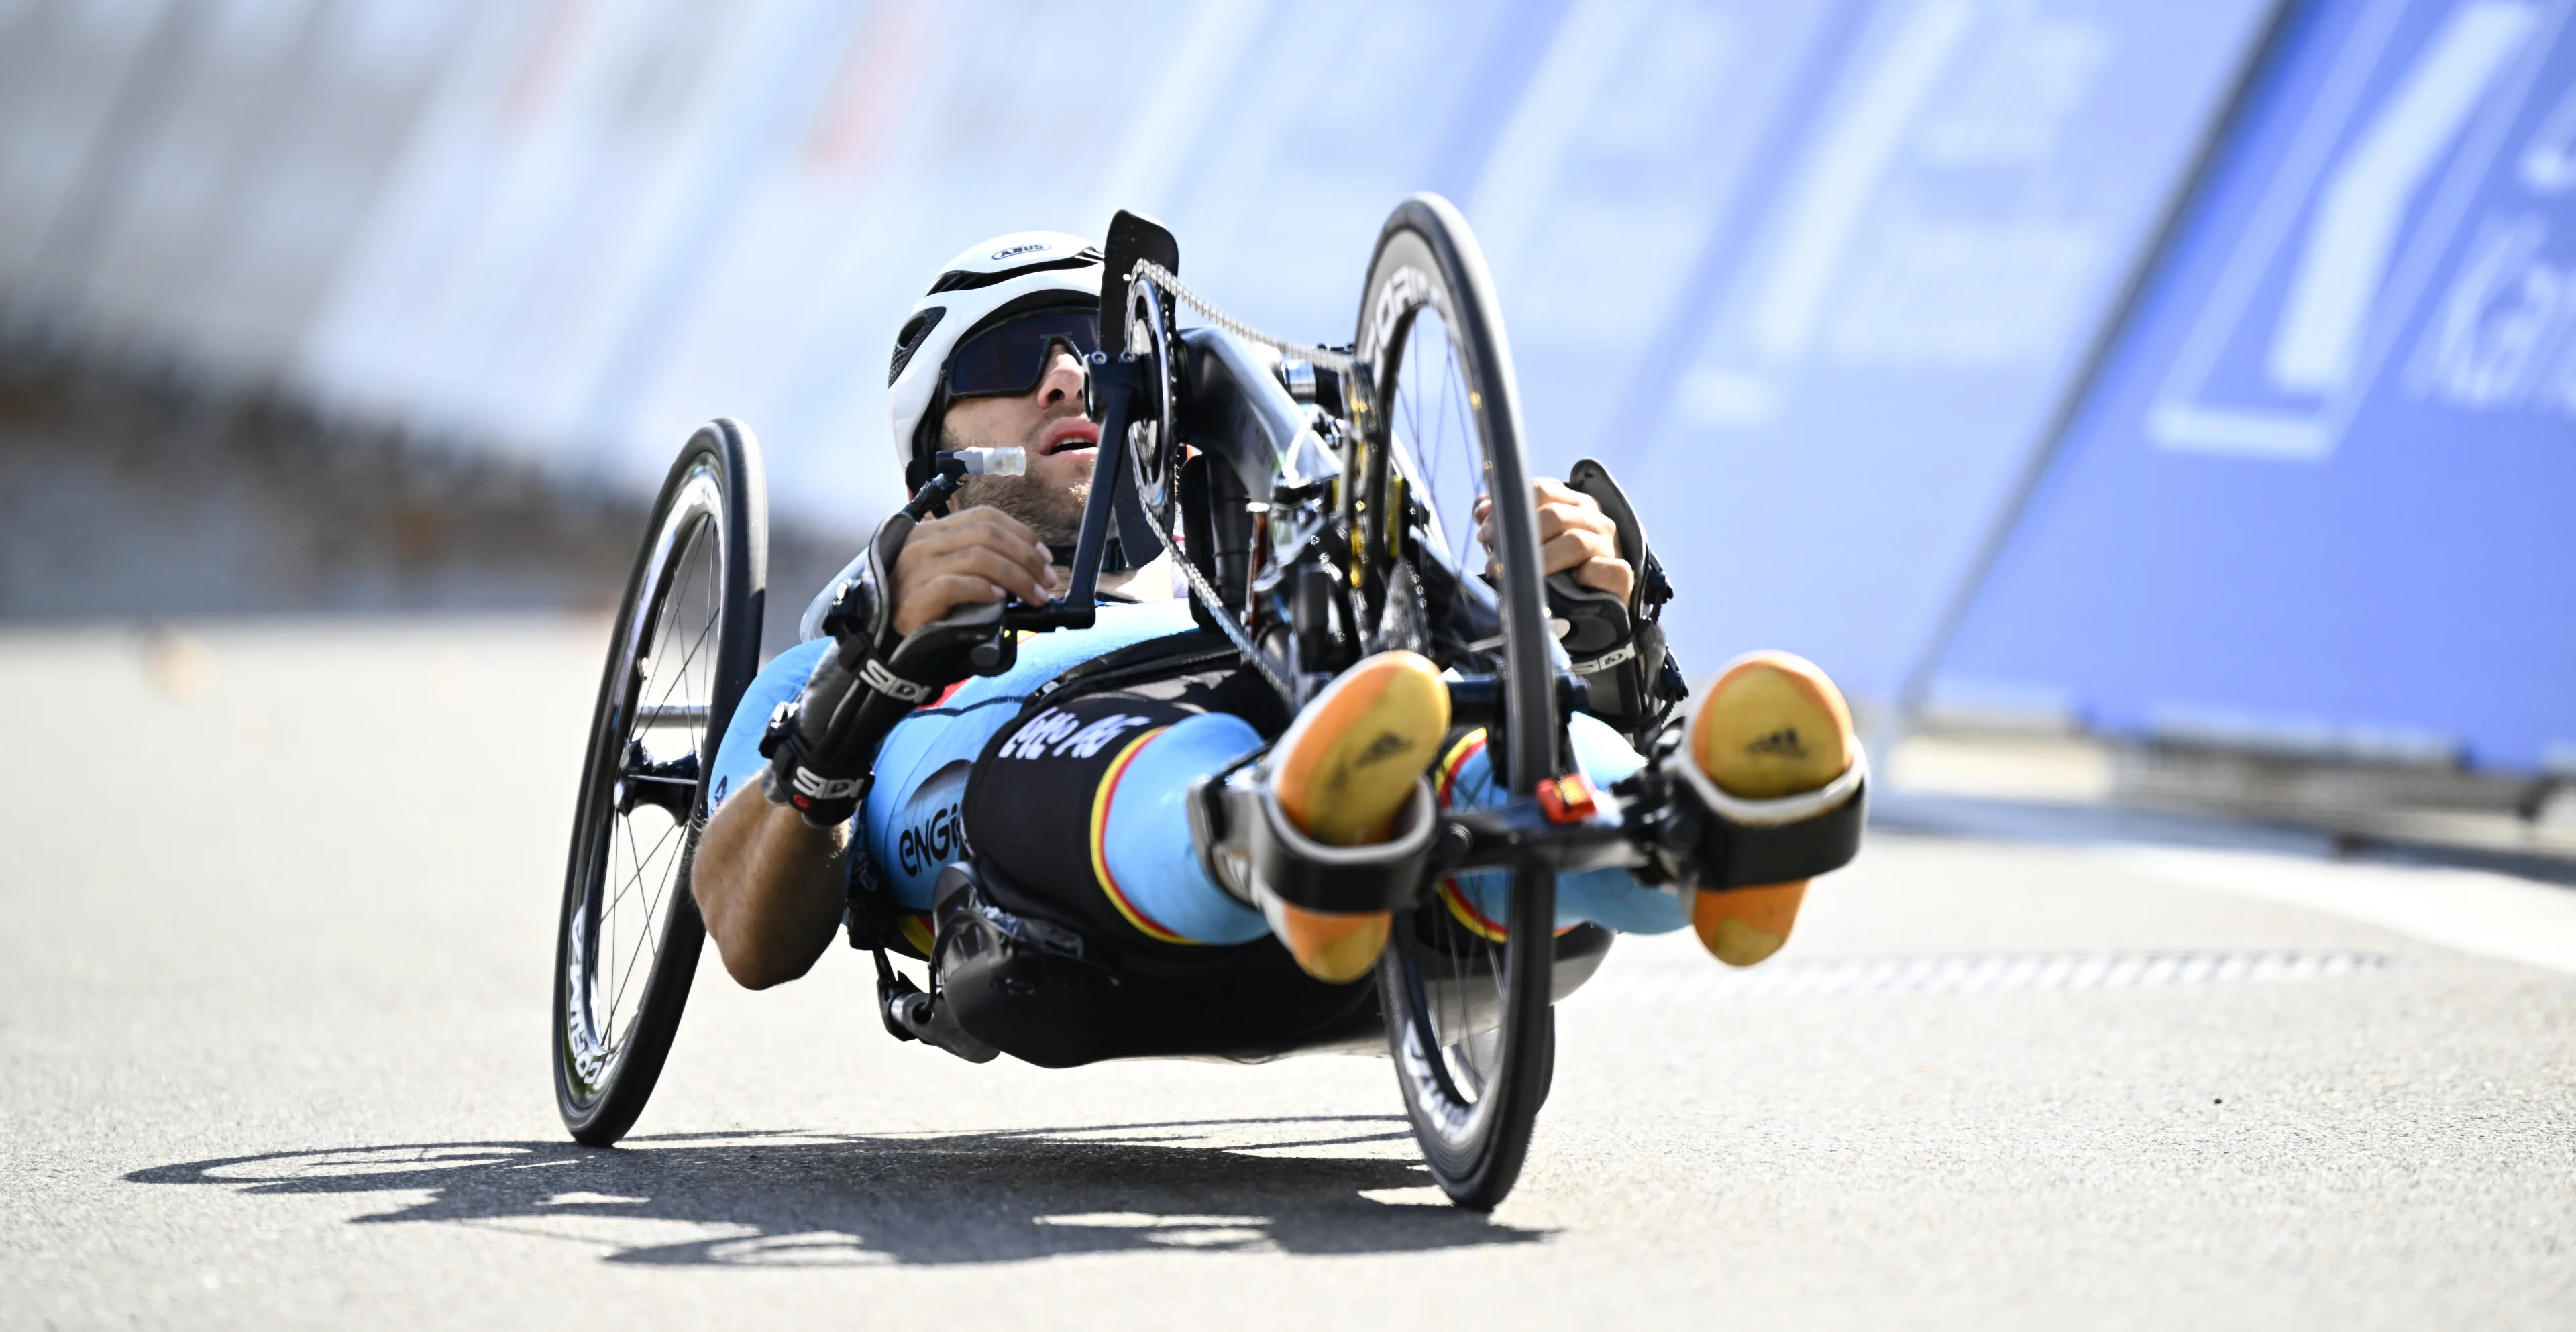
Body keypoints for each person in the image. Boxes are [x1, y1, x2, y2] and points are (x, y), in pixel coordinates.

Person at [690, 229, 1858, 1003]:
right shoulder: (839, 646)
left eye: (1097, 354)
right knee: (1124, 760)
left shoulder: (1257, 576)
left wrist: (1591, 635)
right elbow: (747, 933)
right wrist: (869, 686)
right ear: (931, 440)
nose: (1067, 378)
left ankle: (1694, 844)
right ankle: (1275, 831)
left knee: (1470, 734)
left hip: (1315, 733)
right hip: (1033, 782)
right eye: (1010, 353)